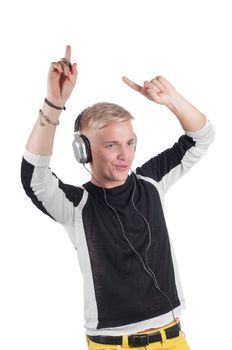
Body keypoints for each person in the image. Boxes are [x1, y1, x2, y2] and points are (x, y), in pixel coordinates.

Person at [21, 45, 215, 350]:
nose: (125, 154)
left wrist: (172, 100)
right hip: (112, 345)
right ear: (82, 150)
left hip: (173, 338)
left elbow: (201, 137)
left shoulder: (151, 181)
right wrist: (54, 104)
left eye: (130, 142)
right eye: (112, 145)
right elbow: (35, 178)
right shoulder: (75, 206)